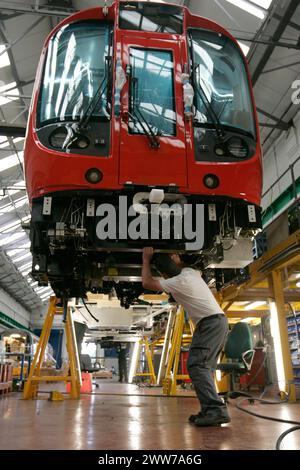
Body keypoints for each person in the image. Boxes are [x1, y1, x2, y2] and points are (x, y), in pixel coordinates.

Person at [142, 247, 230, 426]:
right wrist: (173, 259)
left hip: (210, 323)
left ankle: (215, 410)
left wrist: (146, 259)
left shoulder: (180, 280)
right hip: (213, 322)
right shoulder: (191, 272)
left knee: (197, 365)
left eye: (163, 270)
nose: (163, 274)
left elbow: (146, 282)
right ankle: (210, 410)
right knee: (203, 367)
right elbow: (178, 264)